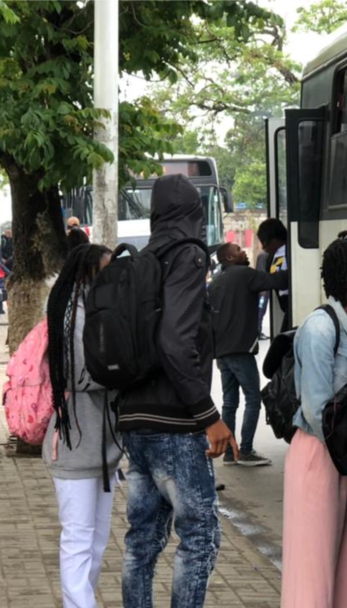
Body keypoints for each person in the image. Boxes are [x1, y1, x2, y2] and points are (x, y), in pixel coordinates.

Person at [116, 174, 237, 608]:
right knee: (199, 536)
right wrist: (210, 416)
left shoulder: (142, 259)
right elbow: (174, 341)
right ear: (194, 213)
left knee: (141, 543)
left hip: (136, 421)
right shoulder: (187, 255)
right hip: (175, 425)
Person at [281, 229, 347, 608]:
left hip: (345, 458)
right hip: (319, 455)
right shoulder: (320, 328)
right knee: (312, 570)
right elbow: (316, 409)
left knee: (346, 570)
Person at [43, 244, 122, 608]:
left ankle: (82, 601)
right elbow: (80, 374)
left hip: (105, 448)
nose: (109, 278)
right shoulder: (70, 313)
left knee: (98, 540)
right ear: (84, 272)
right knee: (78, 539)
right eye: (103, 271)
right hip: (74, 445)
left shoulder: (100, 308)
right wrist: (125, 373)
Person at [209, 242, 288, 468]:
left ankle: (228, 452)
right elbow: (277, 281)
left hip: (222, 352)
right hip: (241, 350)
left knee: (229, 402)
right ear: (230, 258)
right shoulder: (244, 274)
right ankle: (244, 451)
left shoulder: (216, 281)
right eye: (238, 250)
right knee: (253, 398)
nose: (244, 251)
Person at [257, 219, 290, 331]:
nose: (263, 248)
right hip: (284, 304)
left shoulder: (291, 251)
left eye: (265, 244)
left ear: (275, 240)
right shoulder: (271, 256)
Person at [254, 248, 271, 339]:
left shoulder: (266, 255)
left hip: (265, 288)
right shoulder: (263, 255)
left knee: (262, 310)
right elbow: (261, 272)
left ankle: (258, 331)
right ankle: (257, 332)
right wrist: (262, 288)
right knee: (260, 310)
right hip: (263, 289)